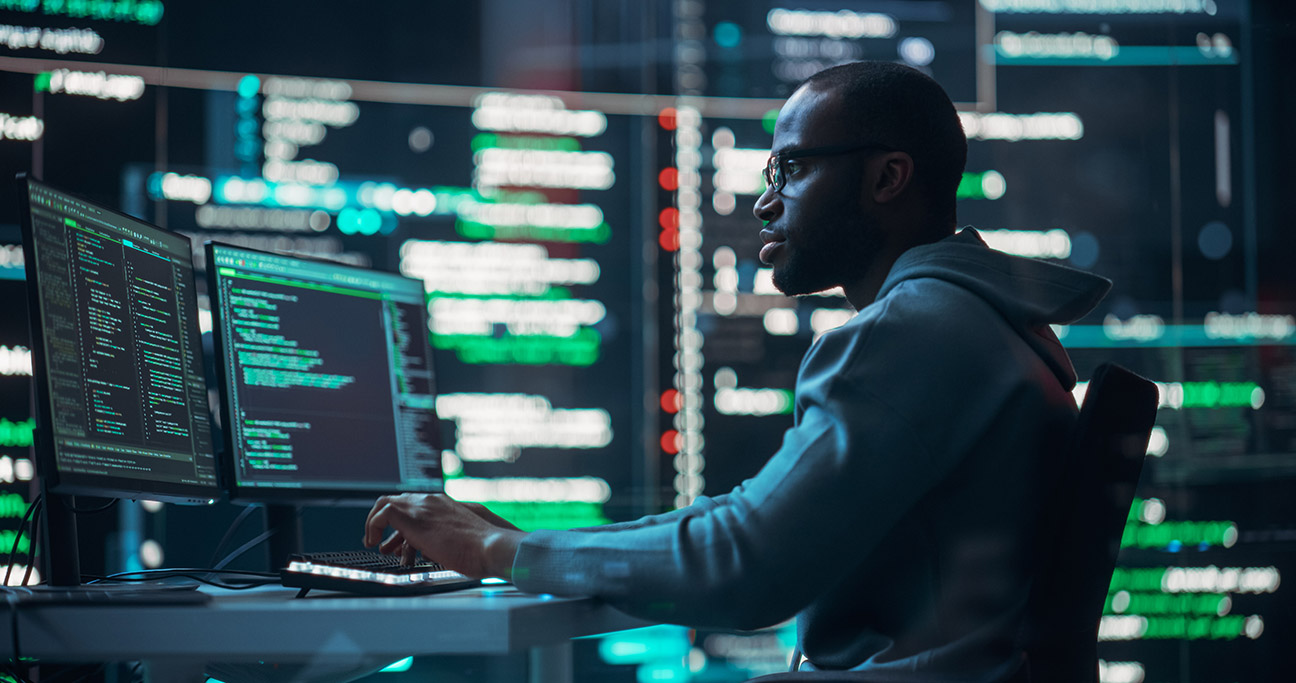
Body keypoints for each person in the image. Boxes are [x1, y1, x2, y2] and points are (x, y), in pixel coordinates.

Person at [364, 61, 1111, 679]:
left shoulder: (913, 333)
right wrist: (534, 540)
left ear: (887, 178)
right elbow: (752, 520)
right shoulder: (982, 322)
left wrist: (497, 550)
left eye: (791, 169)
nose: (763, 201)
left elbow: (747, 563)